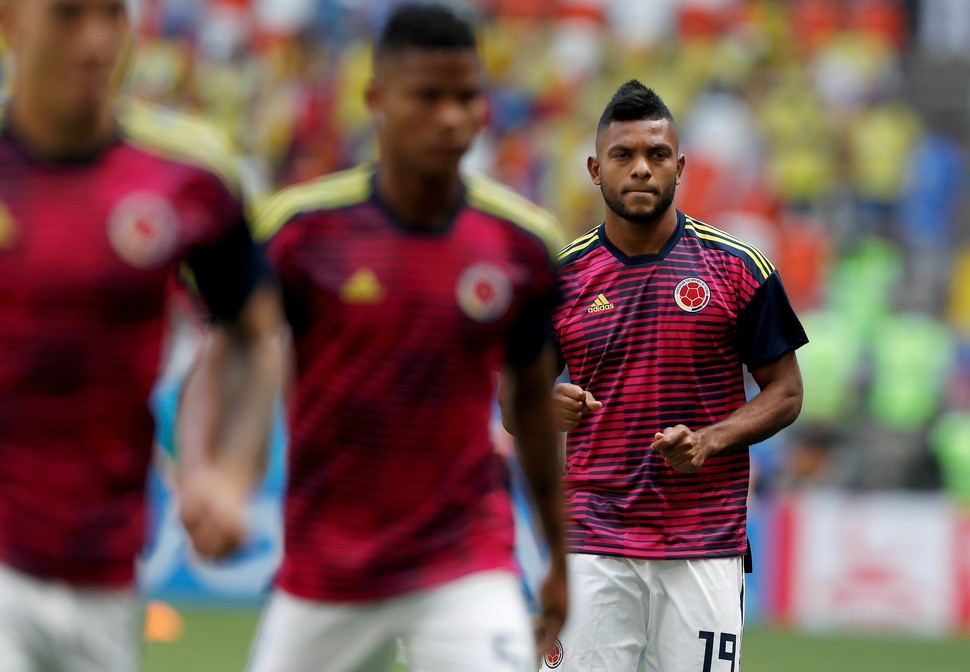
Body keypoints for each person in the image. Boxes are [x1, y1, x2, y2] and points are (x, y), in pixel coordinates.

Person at [246, 5, 568, 672]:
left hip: (464, 561)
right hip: (328, 567)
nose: (451, 117)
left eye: (467, 97)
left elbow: (532, 403)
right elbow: (234, 350)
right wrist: (218, 473)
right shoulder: (300, 231)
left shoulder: (522, 244)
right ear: (377, 99)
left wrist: (562, 554)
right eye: (428, 96)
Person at [0, 1, 283, 670]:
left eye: (112, 15)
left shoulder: (189, 177)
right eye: (68, 15)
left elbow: (253, 331)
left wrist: (230, 472)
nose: (96, 40)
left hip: (108, 574)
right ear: (11, 17)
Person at [544, 80, 807, 671]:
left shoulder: (738, 267)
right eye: (623, 155)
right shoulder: (559, 279)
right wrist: (543, 405)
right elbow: (515, 400)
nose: (641, 168)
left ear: (680, 167)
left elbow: (787, 391)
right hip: (592, 540)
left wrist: (710, 439)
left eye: (657, 154)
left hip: (703, 542)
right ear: (595, 169)